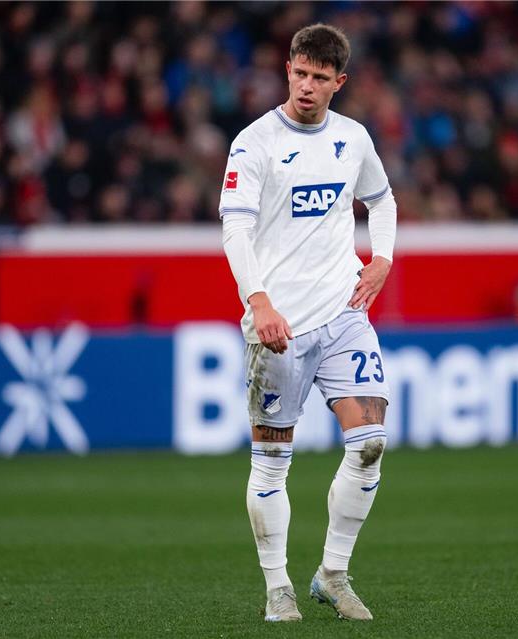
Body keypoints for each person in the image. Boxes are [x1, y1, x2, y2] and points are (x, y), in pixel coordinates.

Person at [218, 23, 397, 623]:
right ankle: (278, 587)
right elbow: (235, 229)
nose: (308, 86)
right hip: (280, 326)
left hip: (345, 314)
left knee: (370, 443)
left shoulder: (353, 138)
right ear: (287, 69)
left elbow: (383, 199)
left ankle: (332, 574)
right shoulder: (255, 143)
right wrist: (260, 300)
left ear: (339, 82)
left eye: (322, 78)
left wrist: (382, 259)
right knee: (272, 462)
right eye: (301, 73)